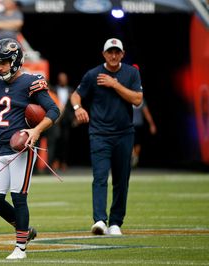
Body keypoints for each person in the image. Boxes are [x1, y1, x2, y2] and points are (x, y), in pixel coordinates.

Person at [0, 38, 60, 259]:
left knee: (19, 197)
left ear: (16, 60)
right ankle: (25, 230)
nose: (1, 68)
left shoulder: (31, 81)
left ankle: (21, 248)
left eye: (5, 63)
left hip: (21, 148)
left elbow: (54, 111)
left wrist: (35, 131)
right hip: (0, 148)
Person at [70, 38, 143, 236]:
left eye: (116, 52)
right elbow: (76, 95)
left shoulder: (131, 72)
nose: (113, 55)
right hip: (99, 133)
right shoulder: (93, 74)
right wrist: (78, 108)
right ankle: (100, 220)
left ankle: (116, 222)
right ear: (104, 54)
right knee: (100, 177)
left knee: (121, 179)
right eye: (110, 52)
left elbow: (137, 99)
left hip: (124, 133)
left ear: (122, 54)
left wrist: (114, 85)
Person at [132, 98, 157, 167]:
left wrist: (152, 124)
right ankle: (133, 155)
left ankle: (135, 157)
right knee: (130, 141)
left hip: (138, 124)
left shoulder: (141, 99)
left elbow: (146, 112)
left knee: (137, 143)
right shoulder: (126, 96)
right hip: (129, 124)